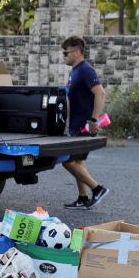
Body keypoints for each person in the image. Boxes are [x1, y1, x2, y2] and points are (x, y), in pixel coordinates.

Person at [60, 36, 110, 210]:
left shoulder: (85, 69)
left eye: (66, 52)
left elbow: (100, 93)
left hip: (83, 125)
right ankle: (82, 197)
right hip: (75, 124)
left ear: (76, 51)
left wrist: (94, 120)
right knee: (78, 163)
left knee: (67, 161)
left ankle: (98, 189)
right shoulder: (74, 71)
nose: (63, 56)